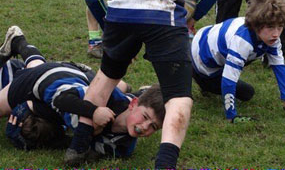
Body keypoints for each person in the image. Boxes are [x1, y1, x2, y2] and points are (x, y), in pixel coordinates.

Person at [65, 0, 221, 168]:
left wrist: (110, 31)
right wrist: (190, 19)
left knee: (105, 78)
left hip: (120, 15)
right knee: (179, 97)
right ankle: (165, 164)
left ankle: (76, 149)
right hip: (164, 16)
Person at [0, 26, 164, 158]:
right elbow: (60, 101)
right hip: (43, 82)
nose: (144, 127)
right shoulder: (105, 98)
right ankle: (18, 47)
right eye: (145, 118)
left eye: (153, 127)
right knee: (36, 76)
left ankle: (18, 41)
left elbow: (86, 146)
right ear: (134, 103)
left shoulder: (124, 147)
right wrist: (94, 111)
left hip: (71, 77)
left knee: (37, 67)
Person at [191, 0, 285, 122]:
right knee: (246, 92)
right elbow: (229, 79)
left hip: (208, 44)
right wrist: (231, 116)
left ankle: (207, 83)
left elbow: (280, 68)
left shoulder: (270, 37)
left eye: (280, 27)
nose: (276, 34)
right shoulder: (242, 41)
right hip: (200, 61)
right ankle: (201, 80)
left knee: (246, 91)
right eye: (271, 27)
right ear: (257, 24)